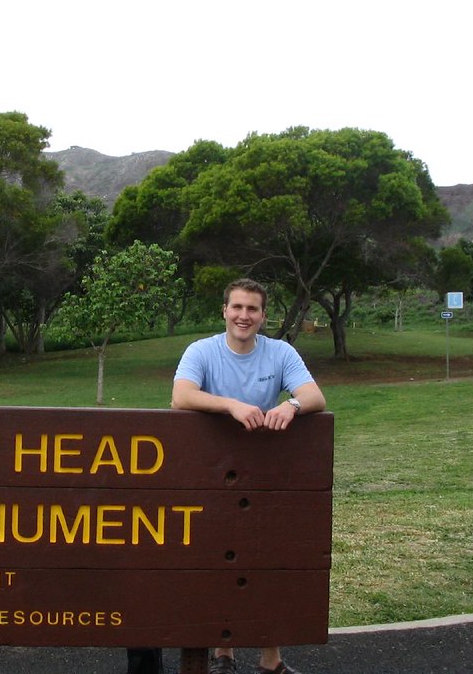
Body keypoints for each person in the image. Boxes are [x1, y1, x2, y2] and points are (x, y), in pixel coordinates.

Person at [167, 278, 326, 674]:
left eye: (252, 309)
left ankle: (271, 659)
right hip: (207, 474)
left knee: (265, 565)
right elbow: (181, 396)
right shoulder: (201, 351)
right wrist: (230, 405)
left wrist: (290, 406)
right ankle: (223, 653)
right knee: (210, 566)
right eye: (237, 307)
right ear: (224, 310)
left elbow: (314, 396)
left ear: (263, 315)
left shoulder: (280, 353)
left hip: (261, 473)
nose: (244, 316)